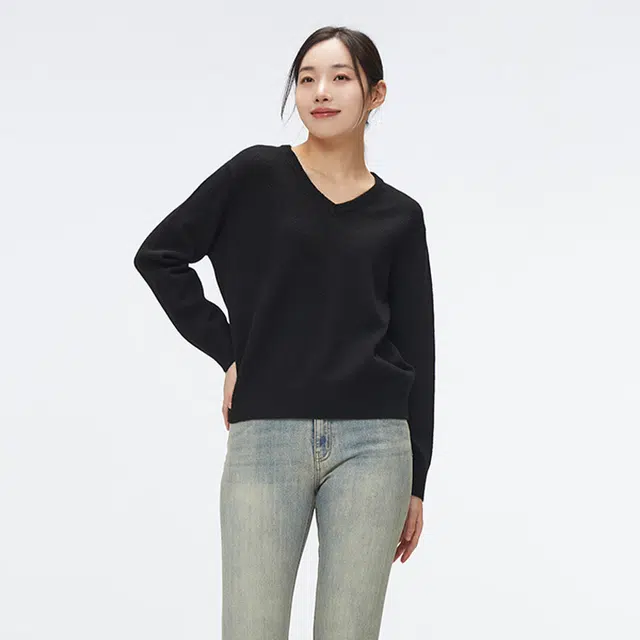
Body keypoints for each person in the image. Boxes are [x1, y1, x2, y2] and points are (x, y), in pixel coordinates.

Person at [133, 25, 436, 640]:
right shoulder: (256, 174)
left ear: (375, 94)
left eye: (341, 77)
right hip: (265, 437)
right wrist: (230, 352)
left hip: (376, 447)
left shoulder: (401, 216)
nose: (320, 92)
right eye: (306, 79)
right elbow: (159, 256)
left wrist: (417, 481)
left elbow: (418, 350)